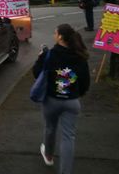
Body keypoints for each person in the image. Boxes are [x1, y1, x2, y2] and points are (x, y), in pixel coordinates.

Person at [33, 24, 90, 174]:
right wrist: (77, 93)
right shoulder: (80, 56)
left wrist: (40, 58)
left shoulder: (50, 54)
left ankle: (49, 156)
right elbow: (85, 82)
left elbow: (37, 73)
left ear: (60, 37)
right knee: (68, 137)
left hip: (51, 100)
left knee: (50, 128)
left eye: (55, 33)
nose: (53, 35)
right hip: (71, 102)